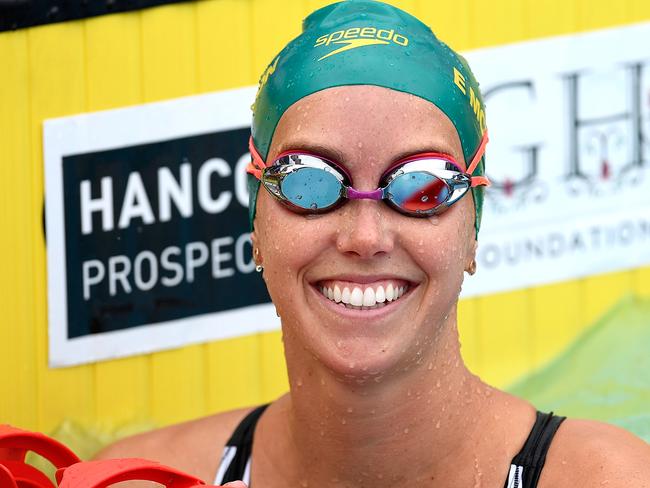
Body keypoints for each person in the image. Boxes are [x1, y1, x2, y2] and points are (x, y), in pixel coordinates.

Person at [96, 1, 650, 487]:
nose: (364, 237)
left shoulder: (607, 479)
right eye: (308, 183)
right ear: (257, 224)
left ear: (473, 230)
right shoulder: (143, 479)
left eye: (422, 187)